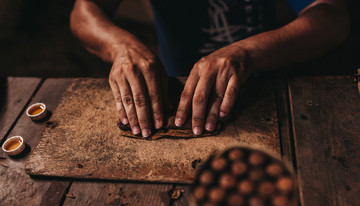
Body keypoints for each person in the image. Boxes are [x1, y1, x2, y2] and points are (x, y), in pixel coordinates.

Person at [70, 0, 349, 138]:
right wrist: (119, 47)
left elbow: (332, 16)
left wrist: (247, 52)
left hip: (271, 79)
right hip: (176, 90)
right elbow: (84, 12)